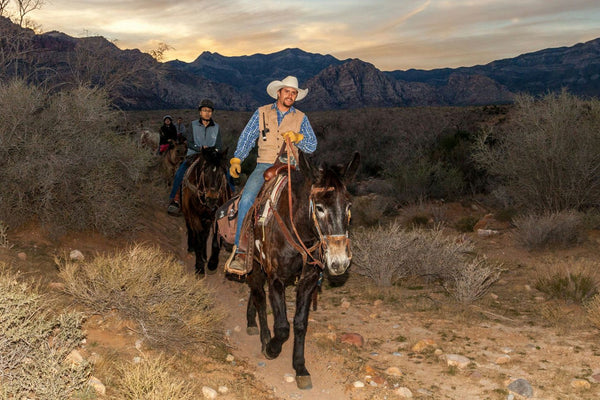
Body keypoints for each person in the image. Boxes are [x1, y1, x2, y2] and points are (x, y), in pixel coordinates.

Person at [225, 76, 317, 273]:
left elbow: (312, 145)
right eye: (287, 91)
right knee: (248, 198)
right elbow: (247, 137)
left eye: (294, 93)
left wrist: (299, 138)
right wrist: (237, 159)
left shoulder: (301, 117)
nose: (290, 95)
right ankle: (241, 251)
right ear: (279, 92)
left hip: (292, 167)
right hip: (264, 166)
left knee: (314, 203)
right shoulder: (262, 113)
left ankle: (315, 254)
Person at [167, 99, 222, 215]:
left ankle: (228, 201)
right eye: (204, 110)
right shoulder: (193, 125)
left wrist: (213, 151)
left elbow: (219, 145)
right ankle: (175, 200)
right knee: (180, 173)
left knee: (225, 174)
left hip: (211, 156)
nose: (207, 113)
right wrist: (200, 148)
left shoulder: (216, 127)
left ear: (212, 113)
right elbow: (190, 142)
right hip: (194, 154)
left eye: (209, 111)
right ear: (200, 112)